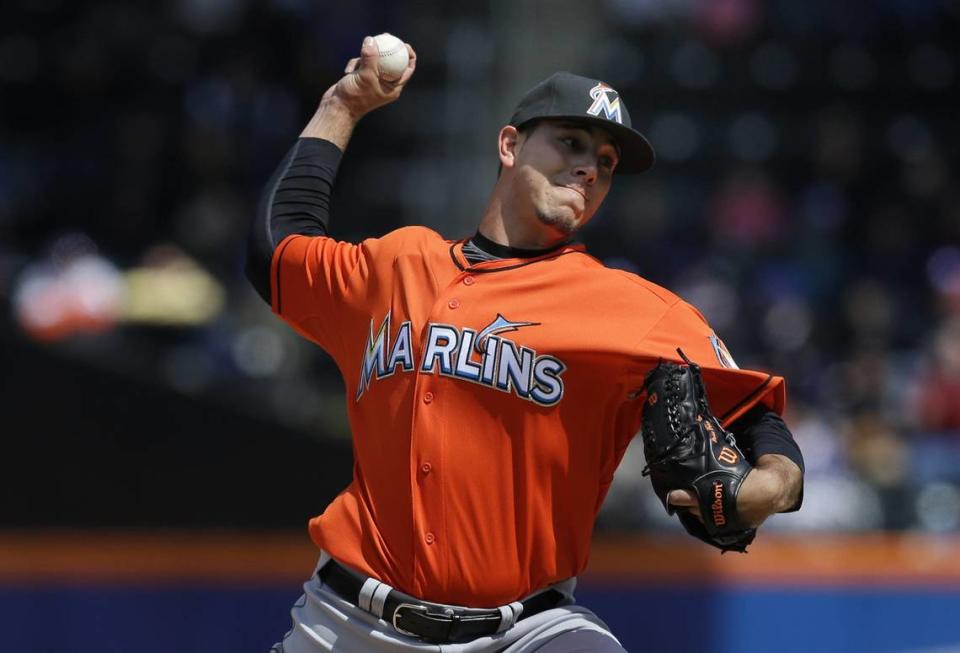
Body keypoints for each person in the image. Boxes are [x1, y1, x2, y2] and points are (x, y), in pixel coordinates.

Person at [245, 35, 804, 653]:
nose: (589, 167)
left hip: (525, 631)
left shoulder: (632, 309)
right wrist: (342, 106)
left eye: (606, 163)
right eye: (570, 142)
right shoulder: (397, 264)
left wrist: (775, 484)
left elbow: (753, 410)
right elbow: (276, 251)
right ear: (509, 145)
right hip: (349, 623)